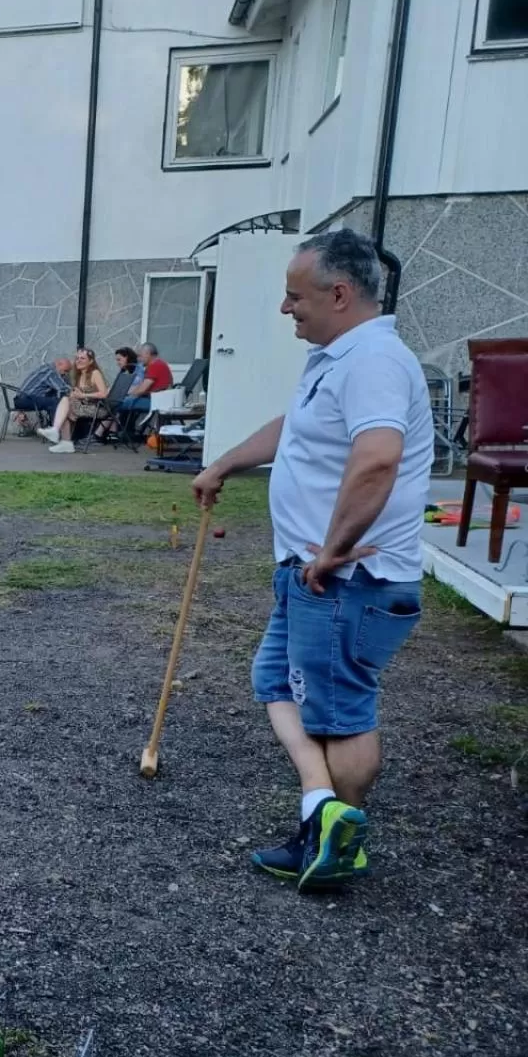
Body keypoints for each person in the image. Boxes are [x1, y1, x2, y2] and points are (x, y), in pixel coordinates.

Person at [192, 229, 432, 892]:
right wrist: (226, 462)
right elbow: (295, 428)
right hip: (313, 574)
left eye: (294, 296)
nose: (285, 309)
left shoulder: (374, 361)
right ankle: (323, 810)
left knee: (338, 710)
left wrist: (330, 551)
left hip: (345, 577)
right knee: (275, 680)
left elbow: (378, 457)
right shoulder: (335, 358)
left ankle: (337, 841)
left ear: (339, 292)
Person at [37, 348, 108, 454]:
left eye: (82, 358)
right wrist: (74, 394)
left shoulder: (95, 373)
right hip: (83, 406)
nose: (78, 360)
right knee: (65, 405)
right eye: (77, 358)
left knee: (65, 402)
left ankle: (57, 433)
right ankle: (65, 442)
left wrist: (83, 395)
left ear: (91, 361)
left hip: (97, 408)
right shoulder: (78, 375)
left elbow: (104, 394)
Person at [10, 356, 72, 434]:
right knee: (55, 402)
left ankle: (52, 427)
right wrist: (77, 392)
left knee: (53, 398)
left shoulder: (46, 368)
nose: (66, 374)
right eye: (65, 371)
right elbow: (62, 388)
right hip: (26, 400)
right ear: (59, 365)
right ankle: (56, 431)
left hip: (21, 399)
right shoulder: (50, 372)